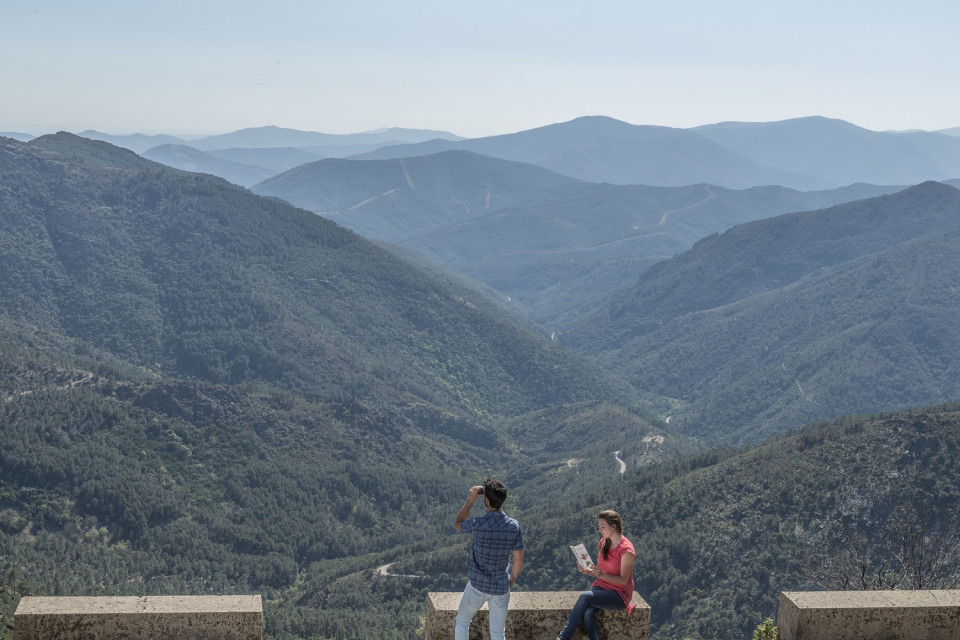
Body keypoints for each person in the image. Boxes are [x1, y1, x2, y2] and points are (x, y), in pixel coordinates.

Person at [453, 478, 524, 640]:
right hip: (500, 586)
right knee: (498, 633)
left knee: (463, 622)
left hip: (477, 585)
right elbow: (518, 560)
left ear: (486, 500)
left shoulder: (479, 524)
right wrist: (510, 581)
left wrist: (471, 500)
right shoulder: (513, 526)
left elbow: (458, 523)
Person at [557, 510, 636, 640]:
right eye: (599, 527)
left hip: (619, 594)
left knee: (584, 597)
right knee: (588, 613)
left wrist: (601, 575)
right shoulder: (604, 543)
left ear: (614, 526)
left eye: (602, 527)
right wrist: (586, 571)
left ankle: (564, 637)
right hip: (602, 587)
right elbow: (601, 572)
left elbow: (623, 580)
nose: (599, 530)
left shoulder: (626, 550)